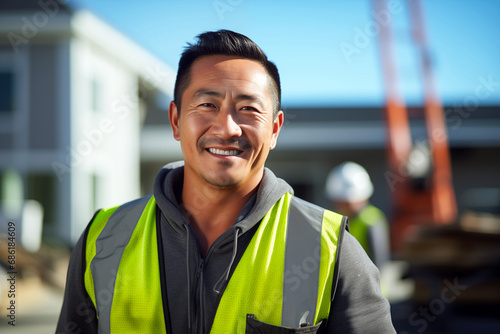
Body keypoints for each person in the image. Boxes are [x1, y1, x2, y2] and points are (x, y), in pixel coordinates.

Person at [57, 30, 395, 333]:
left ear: (275, 129)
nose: (228, 128)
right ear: (175, 120)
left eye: (248, 109)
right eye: (207, 104)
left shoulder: (333, 250)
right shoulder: (103, 238)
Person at [326, 161, 390, 269]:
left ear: (362, 198)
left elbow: (379, 263)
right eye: (339, 202)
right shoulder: (334, 221)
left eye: (347, 203)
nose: (342, 207)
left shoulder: (372, 219)